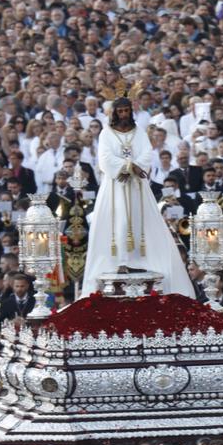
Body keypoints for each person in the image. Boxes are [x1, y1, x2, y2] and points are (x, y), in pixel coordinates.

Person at [81, 94, 196, 298]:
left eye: (127, 111)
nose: (124, 114)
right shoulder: (106, 133)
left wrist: (134, 168)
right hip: (115, 185)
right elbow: (105, 159)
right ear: (115, 113)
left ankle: (139, 260)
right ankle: (120, 261)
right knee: (118, 223)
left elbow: (147, 155)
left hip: (136, 185)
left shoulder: (139, 132)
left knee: (139, 221)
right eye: (120, 111)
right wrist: (126, 167)